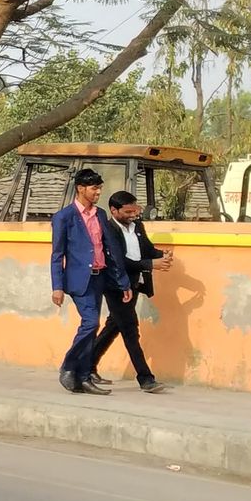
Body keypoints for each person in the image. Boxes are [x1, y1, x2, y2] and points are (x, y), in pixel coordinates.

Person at [50, 168, 128, 395]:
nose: (98, 192)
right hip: (78, 280)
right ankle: (71, 367)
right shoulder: (64, 217)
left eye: (99, 188)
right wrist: (57, 287)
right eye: (94, 188)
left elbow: (111, 249)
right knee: (91, 323)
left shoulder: (101, 214)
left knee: (91, 325)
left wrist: (122, 282)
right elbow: (57, 254)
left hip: (100, 277)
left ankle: (80, 376)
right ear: (81, 188)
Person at [94, 190, 172, 393]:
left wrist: (162, 255)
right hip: (116, 286)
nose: (132, 215)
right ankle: (146, 378)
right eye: (128, 211)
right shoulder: (108, 230)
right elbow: (120, 261)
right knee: (130, 330)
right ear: (114, 210)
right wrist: (150, 264)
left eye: (134, 210)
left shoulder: (137, 226)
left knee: (114, 326)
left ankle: (83, 364)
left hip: (135, 284)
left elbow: (146, 249)